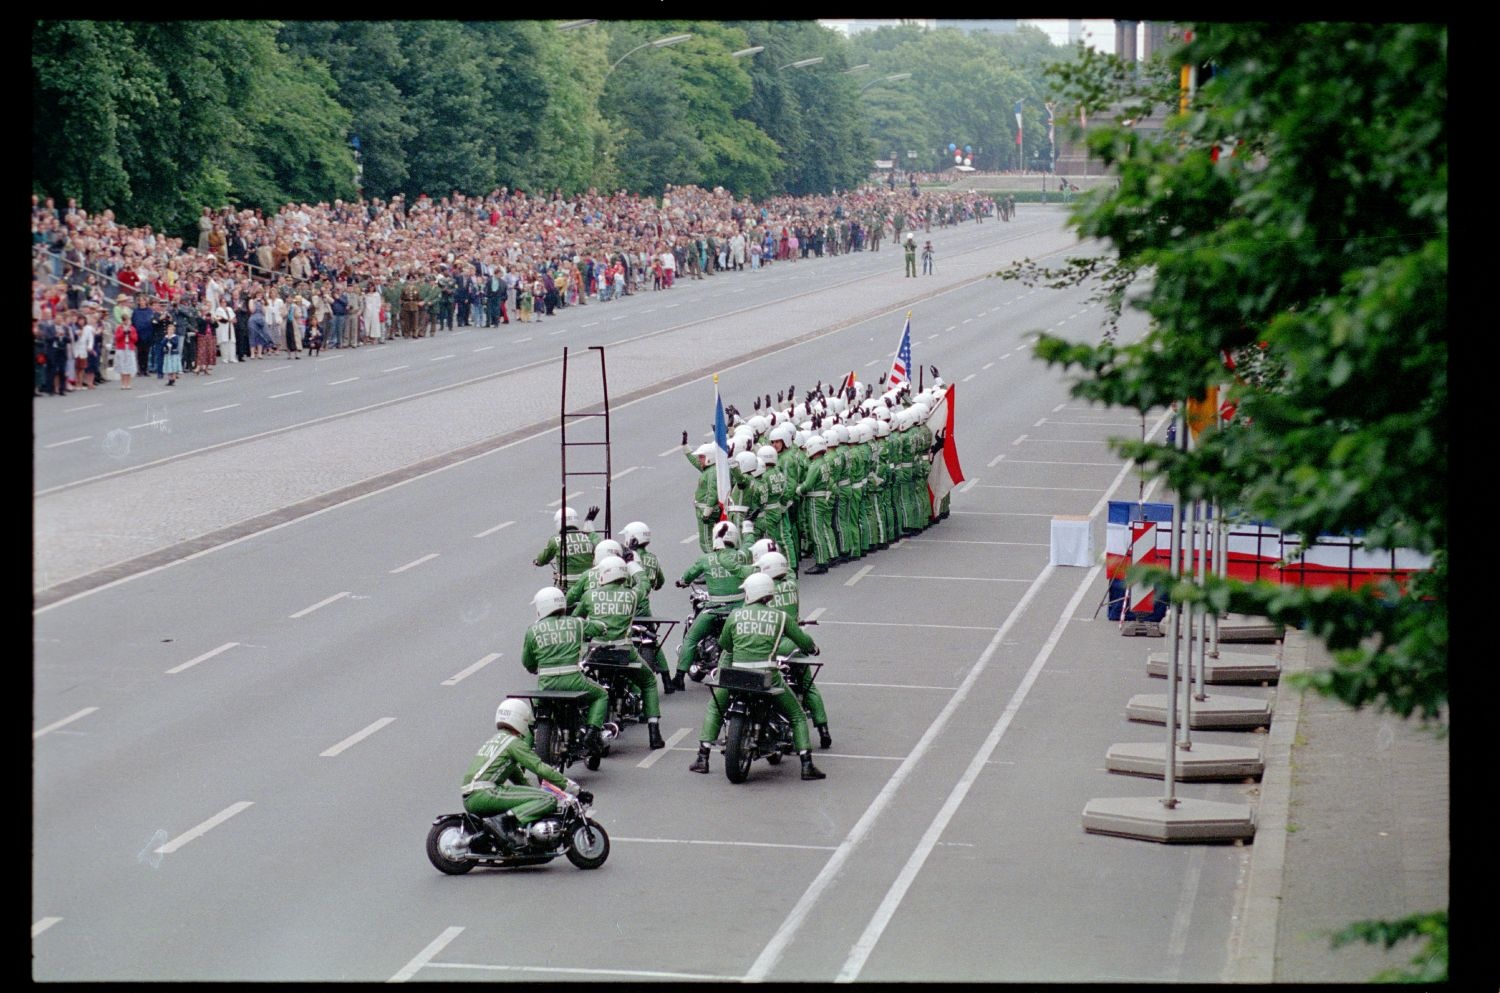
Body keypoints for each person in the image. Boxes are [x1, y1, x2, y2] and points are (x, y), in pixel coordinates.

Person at [687, 571, 825, 780]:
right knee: (796, 715)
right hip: (767, 675)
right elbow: (803, 642)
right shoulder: (781, 617)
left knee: (715, 708)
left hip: (736, 674)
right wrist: (813, 648)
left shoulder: (735, 615)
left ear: (751, 593)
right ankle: (806, 765)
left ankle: (702, 757)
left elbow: (725, 644)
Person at [461, 698, 584, 849]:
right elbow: (539, 767)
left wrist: (533, 793)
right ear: (519, 720)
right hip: (485, 793)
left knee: (539, 797)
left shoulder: (497, 740)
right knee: (548, 799)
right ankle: (503, 822)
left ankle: (503, 831)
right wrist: (571, 787)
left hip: (472, 796)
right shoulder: (514, 743)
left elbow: (517, 776)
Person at [571, 555, 665, 750]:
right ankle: (654, 732)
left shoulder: (590, 595)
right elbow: (645, 583)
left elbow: (575, 621)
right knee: (648, 681)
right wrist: (632, 564)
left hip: (595, 651)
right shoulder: (631, 595)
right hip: (624, 650)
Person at [522, 587, 614, 756]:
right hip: (574, 681)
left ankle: (523, 754)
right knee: (601, 694)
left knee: (534, 717)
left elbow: (527, 662)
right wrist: (603, 626)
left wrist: (536, 669)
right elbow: (597, 628)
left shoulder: (532, 630)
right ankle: (592, 733)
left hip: (546, 684)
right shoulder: (576, 623)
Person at [758, 551, 832, 748]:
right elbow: (788, 571)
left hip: (772, 644)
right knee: (808, 685)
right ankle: (823, 729)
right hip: (794, 643)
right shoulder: (791, 585)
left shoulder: (765, 591)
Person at [674, 520, 755, 682]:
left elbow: (689, 575)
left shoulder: (706, 559)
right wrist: (748, 527)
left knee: (690, 638)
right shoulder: (742, 555)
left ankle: (678, 677)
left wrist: (682, 581)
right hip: (739, 609)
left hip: (714, 610)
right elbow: (750, 542)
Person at [533, 505, 600, 589]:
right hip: (588, 585)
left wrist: (537, 562)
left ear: (558, 522)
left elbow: (542, 559)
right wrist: (588, 522)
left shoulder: (556, 541)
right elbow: (597, 541)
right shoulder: (588, 538)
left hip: (567, 587)